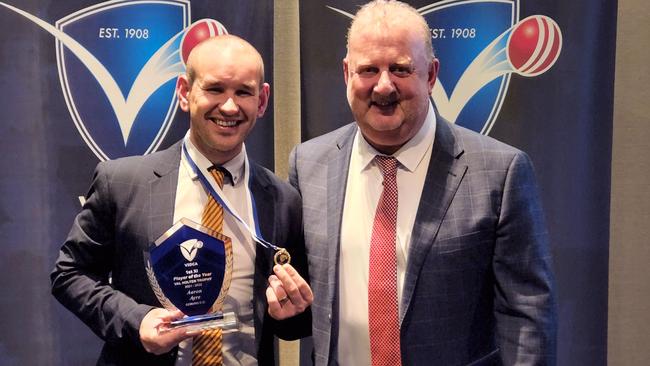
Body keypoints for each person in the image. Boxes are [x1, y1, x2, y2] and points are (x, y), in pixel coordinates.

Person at [289, 1, 557, 365]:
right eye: (368, 69)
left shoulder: (500, 172)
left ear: (430, 75)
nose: (383, 86)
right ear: (346, 73)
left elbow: (527, 319)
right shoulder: (308, 165)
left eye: (400, 68)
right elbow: (302, 305)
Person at [51, 35, 313, 366]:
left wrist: (290, 314)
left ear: (262, 101)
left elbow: (290, 326)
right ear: (185, 93)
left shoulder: (282, 200)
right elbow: (69, 274)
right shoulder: (122, 183)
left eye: (243, 92)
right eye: (215, 89)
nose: (229, 106)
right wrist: (137, 319)